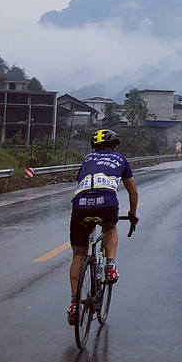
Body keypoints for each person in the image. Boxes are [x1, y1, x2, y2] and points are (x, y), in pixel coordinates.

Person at [67, 128, 139, 325]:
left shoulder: (87, 159)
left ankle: (74, 304)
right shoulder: (120, 159)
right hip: (107, 202)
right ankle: (110, 266)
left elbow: (81, 182)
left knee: (78, 255)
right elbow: (132, 191)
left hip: (80, 204)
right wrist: (133, 213)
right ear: (115, 147)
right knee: (110, 228)